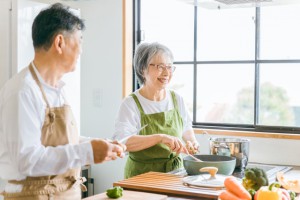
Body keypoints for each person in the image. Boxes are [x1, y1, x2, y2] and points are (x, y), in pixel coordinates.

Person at [0, 3, 125, 199]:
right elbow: (26, 160)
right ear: (60, 42)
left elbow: (61, 141)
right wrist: (87, 152)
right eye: (80, 40)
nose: (82, 50)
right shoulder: (22, 91)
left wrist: (96, 144)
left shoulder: (59, 90)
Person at [113, 42, 199, 178]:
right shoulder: (130, 103)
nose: (166, 73)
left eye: (169, 67)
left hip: (175, 174)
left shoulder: (177, 99)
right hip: (141, 176)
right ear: (142, 69)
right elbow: (123, 142)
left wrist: (191, 142)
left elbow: (186, 127)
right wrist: (160, 138)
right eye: (160, 67)